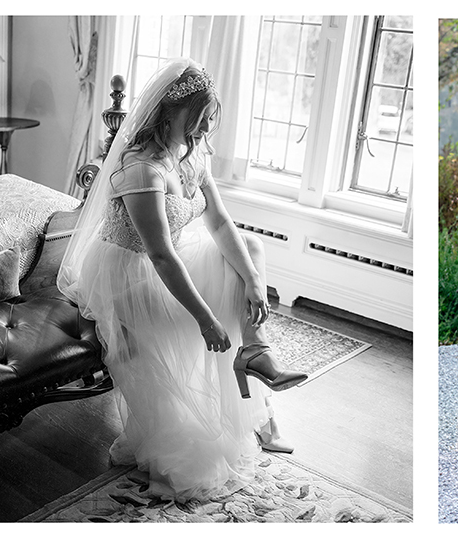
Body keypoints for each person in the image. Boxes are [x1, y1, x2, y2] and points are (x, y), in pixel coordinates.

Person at [59, 59, 308, 500]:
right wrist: (204, 318)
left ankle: (254, 349)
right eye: (194, 122)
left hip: (169, 257)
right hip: (129, 274)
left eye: (205, 123)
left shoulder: (189, 152)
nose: (200, 133)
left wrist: (254, 281)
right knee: (220, 302)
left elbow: (220, 223)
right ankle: (254, 394)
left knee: (247, 253)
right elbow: (160, 256)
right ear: (166, 114)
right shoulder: (141, 170)